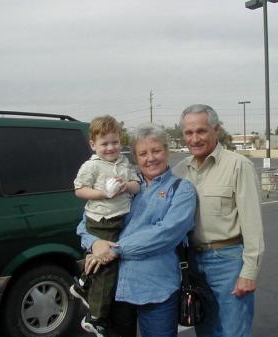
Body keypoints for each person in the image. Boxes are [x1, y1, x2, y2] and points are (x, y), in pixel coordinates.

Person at [79, 123, 197, 337]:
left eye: (156, 151)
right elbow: (88, 220)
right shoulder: (123, 185)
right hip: (115, 290)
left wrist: (114, 250)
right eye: (143, 153)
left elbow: (166, 234)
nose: (150, 158)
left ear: (167, 151)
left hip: (156, 290)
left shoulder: (181, 189)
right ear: (134, 157)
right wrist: (94, 243)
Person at [172, 104, 265, 337]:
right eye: (188, 133)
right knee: (205, 330)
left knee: (232, 331)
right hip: (192, 264)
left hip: (228, 262)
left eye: (201, 131)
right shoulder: (179, 171)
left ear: (216, 129)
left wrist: (249, 272)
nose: (194, 138)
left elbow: (252, 225)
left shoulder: (238, 166)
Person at [71, 115, 141, 337]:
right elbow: (79, 190)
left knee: (107, 263)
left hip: (121, 219)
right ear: (93, 145)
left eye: (114, 142)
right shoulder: (91, 166)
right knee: (107, 268)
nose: (110, 148)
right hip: (101, 221)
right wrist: (103, 193)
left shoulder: (123, 162)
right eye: (104, 143)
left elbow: (137, 186)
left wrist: (126, 187)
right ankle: (96, 317)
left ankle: (83, 284)